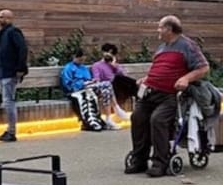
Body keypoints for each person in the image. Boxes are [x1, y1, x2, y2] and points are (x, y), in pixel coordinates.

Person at [127, 15, 210, 176]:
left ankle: (160, 162)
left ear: (169, 29)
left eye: (160, 27)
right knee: (137, 117)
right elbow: (158, 69)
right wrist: (146, 79)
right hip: (150, 92)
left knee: (157, 120)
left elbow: (203, 68)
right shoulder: (161, 47)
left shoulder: (187, 45)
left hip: (170, 95)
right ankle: (139, 159)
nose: (157, 30)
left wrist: (186, 78)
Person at [0, 8, 27, 142]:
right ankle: (10, 130)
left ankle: (11, 131)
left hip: (10, 71)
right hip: (4, 72)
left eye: (1, 17)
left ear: (9, 18)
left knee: (9, 102)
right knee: (7, 101)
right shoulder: (3, 33)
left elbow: (22, 49)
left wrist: (20, 68)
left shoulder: (13, 32)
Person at [90, 42, 134, 125]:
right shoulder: (97, 65)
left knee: (121, 79)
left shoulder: (114, 65)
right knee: (113, 81)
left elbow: (125, 76)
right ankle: (117, 109)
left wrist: (114, 66)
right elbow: (97, 80)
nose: (109, 55)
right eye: (108, 52)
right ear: (103, 53)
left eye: (112, 53)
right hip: (108, 88)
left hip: (119, 88)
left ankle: (119, 109)